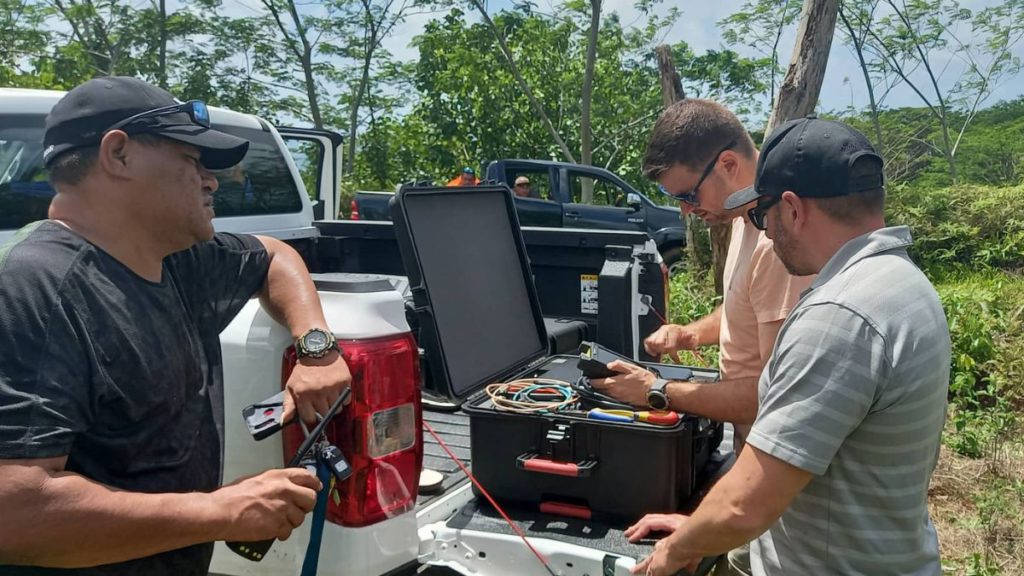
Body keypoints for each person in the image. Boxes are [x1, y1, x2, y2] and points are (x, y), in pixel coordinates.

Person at [0, 76, 352, 575]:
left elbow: (274, 256)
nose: (213, 179)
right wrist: (221, 512)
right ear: (118, 154)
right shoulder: (34, 288)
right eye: (191, 159)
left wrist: (316, 349)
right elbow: (14, 513)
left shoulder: (176, 259)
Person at [626, 118, 951, 576]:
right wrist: (703, 526)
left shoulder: (840, 316)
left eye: (763, 215)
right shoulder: (902, 283)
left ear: (793, 209)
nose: (765, 231)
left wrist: (676, 551)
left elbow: (744, 505)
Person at [592, 99, 813, 575]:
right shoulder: (744, 220)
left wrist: (655, 391)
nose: (688, 211)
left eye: (689, 196)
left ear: (728, 165)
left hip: (776, 484)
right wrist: (689, 335)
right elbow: (745, 307)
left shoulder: (780, 246)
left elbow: (771, 399)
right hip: (751, 460)